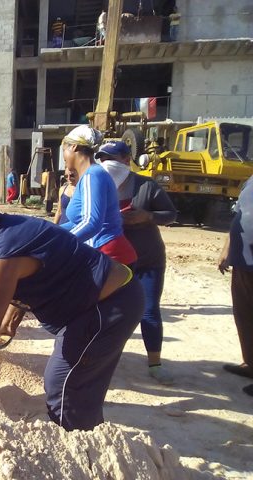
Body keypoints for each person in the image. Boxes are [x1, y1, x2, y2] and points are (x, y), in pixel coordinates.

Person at [0, 192, 144, 432]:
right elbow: (24, 282)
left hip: (109, 306)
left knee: (64, 389)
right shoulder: (10, 227)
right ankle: (86, 434)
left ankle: (85, 452)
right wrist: (9, 324)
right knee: (74, 386)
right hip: (96, 304)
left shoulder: (5, 253)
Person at [97, 141, 178, 384]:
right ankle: (104, 359)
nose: (105, 163)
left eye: (111, 157)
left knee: (149, 311)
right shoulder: (99, 186)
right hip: (115, 264)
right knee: (110, 312)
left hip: (147, 261)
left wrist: (148, 216)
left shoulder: (146, 186)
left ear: (126, 159)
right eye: (102, 158)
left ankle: (155, 363)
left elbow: (171, 214)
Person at [59, 125, 137, 266]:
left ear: (74, 147)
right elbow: (78, 222)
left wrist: (59, 242)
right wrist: (49, 230)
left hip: (109, 254)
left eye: (64, 150)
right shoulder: (88, 176)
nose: (63, 156)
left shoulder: (92, 175)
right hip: (102, 250)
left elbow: (91, 223)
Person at [218, 175, 253, 397]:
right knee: (244, 314)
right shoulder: (250, 181)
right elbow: (239, 216)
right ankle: (250, 363)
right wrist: (226, 250)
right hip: (243, 260)